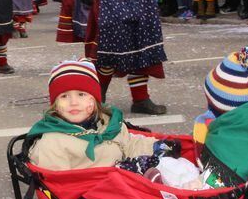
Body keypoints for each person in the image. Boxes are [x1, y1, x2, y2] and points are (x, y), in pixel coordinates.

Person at [27, 60, 161, 170]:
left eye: (81, 94)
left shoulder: (109, 125)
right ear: (55, 105)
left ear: (94, 101)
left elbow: (130, 144)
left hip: (123, 182)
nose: (73, 102)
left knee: (171, 169)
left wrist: (157, 146)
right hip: (90, 195)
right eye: (64, 96)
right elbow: (60, 185)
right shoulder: (52, 142)